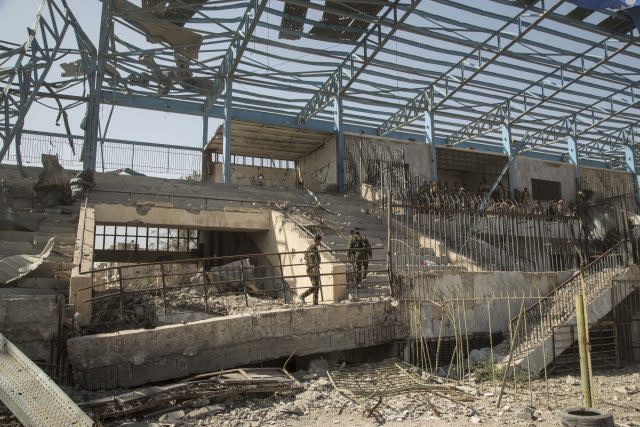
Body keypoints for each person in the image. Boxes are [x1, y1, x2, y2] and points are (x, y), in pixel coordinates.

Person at [299, 235, 322, 305]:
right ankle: (302, 296)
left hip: (314, 269)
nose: (320, 242)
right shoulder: (312, 247)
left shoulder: (314, 248)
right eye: (320, 241)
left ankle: (315, 302)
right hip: (312, 269)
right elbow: (311, 259)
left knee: (317, 285)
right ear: (317, 240)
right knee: (315, 285)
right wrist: (314, 268)